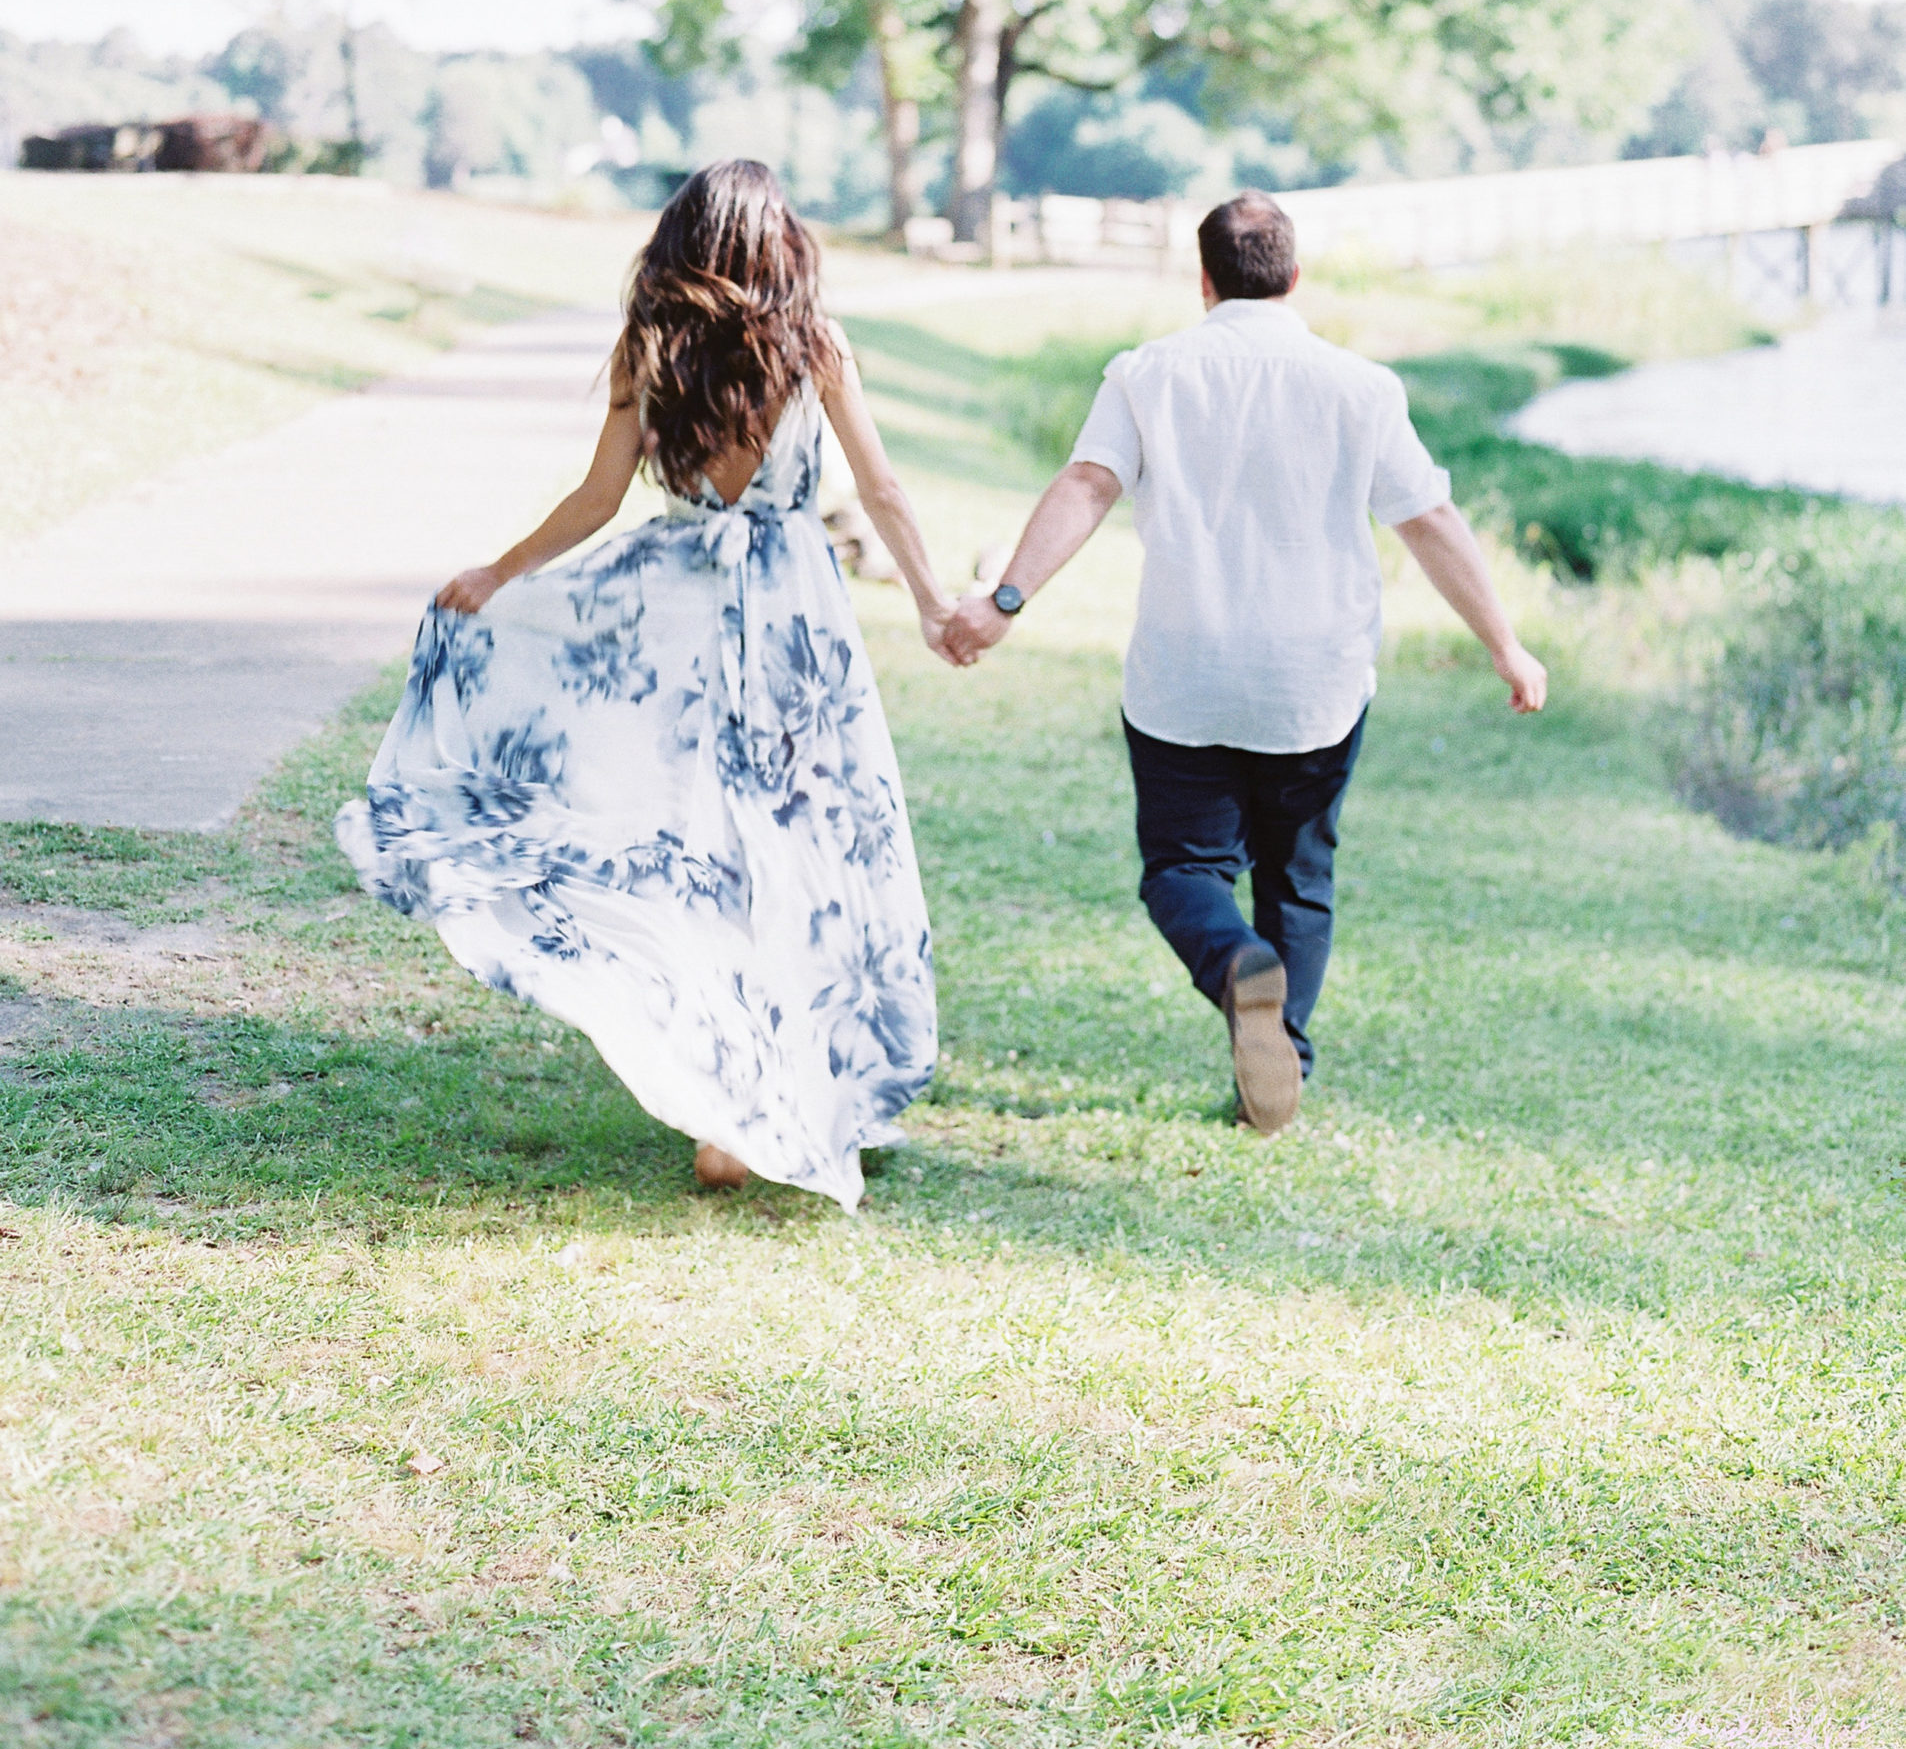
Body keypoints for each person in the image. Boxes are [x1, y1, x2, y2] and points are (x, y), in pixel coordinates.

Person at [335, 160, 954, 1211]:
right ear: (779, 247)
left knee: (696, 851)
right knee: (803, 845)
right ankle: (780, 1098)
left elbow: (596, 499)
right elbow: (881, 488)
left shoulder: (650, 347)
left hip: (677, 613)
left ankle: (728, 1107)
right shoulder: (816, 345)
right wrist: (937, 603)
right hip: (795, 618)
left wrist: (499, 573)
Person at [941, 190, 1546, 1136]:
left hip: (1187, 675)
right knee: (1299, 878)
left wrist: (1005, 600)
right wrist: (1505, 645)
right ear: (1295, 279)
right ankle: (1281, 1069)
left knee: (1183, 868)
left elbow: (1088, 483)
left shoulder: (1147, 374)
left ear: (1205, 280)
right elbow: (1429, 520)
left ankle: (1233, 965)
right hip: (1317, 682)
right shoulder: (1363, 387)